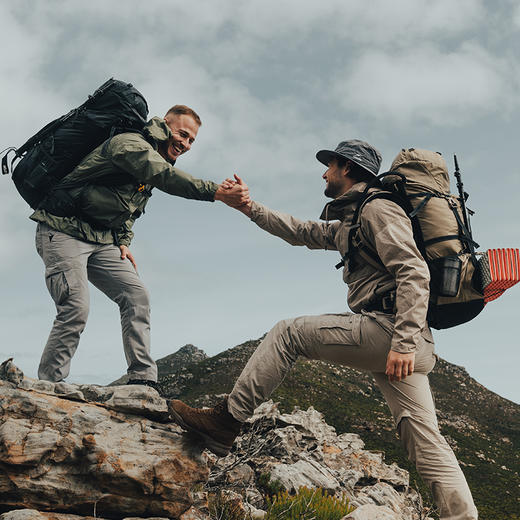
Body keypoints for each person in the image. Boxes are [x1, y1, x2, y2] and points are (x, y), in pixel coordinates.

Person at [168, 140, 478, 519]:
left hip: (393, 332)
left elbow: (412, 271)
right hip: (407, 340)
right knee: (426, 441)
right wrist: (249, 207)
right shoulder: (354, 220)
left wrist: (403, 342)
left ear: (347, 168)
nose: (324, 172)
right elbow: (300, 231)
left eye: (329, 165)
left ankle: (226, 422)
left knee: (288, 333)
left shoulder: (377, 209)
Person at [31, 105, 249, 386]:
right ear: (165, 125)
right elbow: (164, 177)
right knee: (75, 307)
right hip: (62, 231)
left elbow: (130, 209)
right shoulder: (130, 144)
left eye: (192, 140)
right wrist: (217, 192)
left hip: (102, 239)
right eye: (182, 134)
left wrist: (123, 241)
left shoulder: (155, 159)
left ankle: (143, 380)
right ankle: (49, 385)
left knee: (137, 297)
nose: (185, 144)